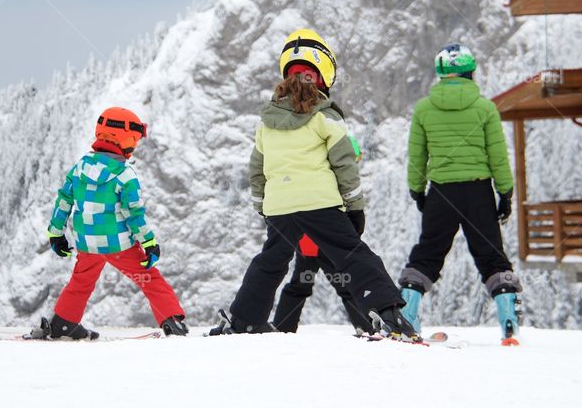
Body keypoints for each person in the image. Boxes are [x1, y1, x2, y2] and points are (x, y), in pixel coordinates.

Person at [210, 29, 419, 341]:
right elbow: (344, 164)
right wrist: (355, 207)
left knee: (272, 260)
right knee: (353, 254)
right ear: (323, 75)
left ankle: (244, 319)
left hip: (280, 206)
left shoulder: (266, 121)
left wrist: (263, 205)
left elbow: (257, 169)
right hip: (319, 203)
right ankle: (386, 311)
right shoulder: (326, 116)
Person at [398, 44, 522, 345]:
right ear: (470, 72)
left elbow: (417, 156)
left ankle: (408, 315)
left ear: (440, 74)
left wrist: (418, 190)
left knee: (427, 253)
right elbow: (498, 157)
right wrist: (505, 194)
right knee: (492, 256)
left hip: (441, 192)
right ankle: (507, 320)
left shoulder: (424, 109)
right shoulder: (485, 108)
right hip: (478, 192)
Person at [38, 107, 188, 339]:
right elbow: (134, 214)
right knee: (149, 279)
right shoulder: (125, 175)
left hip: (88, 243)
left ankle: (63, 324)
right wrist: (149, 243)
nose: (135, 145)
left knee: (80, 283)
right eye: (135, 140)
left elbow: (64, 201)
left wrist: (56, 233)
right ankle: (172, 321)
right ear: (125, 139)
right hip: (120, 245)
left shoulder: (80, 167)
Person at [272, 233, 376, 335]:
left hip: (309, 245)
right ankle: (366, 327)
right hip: (324, 245)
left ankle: (282, 327)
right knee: (345, 288)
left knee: (299, 287)